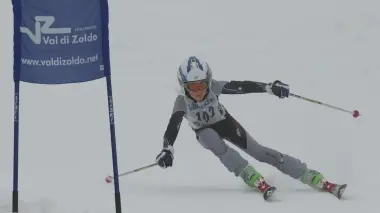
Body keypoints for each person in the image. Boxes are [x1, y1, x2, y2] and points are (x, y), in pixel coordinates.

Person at [155, 56, 346, 200]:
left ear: (209, 81)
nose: (198, 91)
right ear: (183, 86)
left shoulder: (214, 87)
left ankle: (306, 173)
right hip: (204, 132)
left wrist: (269, 87)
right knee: (210, 139)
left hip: (225, 123)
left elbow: (240, 86)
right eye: (192, 87)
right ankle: (246, 172)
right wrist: (167, 148)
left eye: (202, 85)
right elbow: (173, 125)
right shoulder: (181, 102)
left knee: (259, 152)